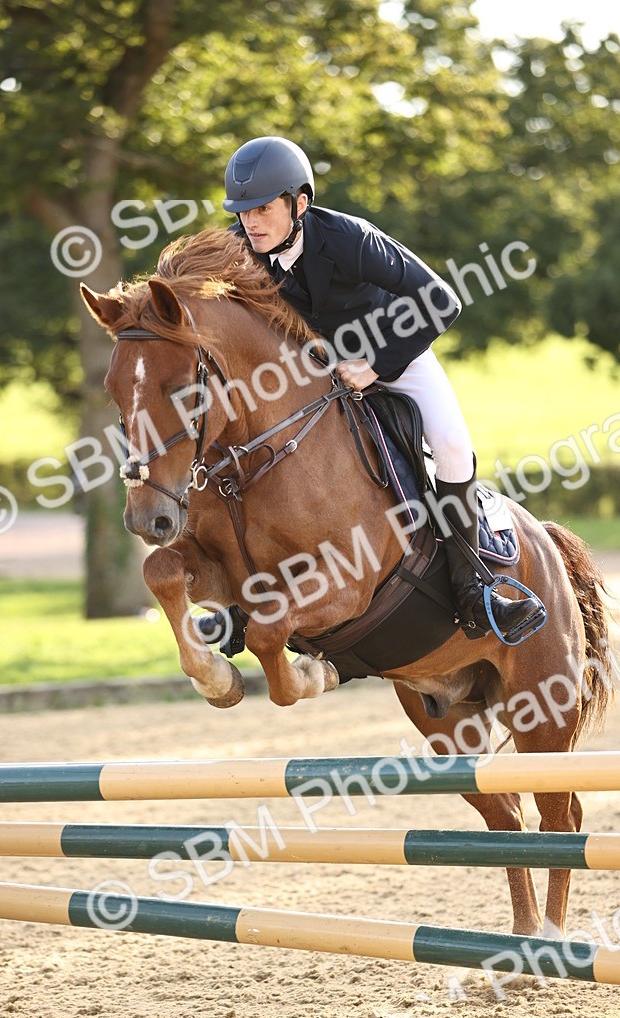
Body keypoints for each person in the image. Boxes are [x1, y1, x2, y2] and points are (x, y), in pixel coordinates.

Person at [223, 135, 544, 642]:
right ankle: (242, 602)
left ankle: (474, 590)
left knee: (452, 445)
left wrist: (376, 365)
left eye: (263, 209)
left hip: (395, 353)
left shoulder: (350, 239)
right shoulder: (238, 250)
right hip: (314, 373)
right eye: (243, 212)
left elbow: (442, 300)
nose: (251, 223)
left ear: (300, 203)